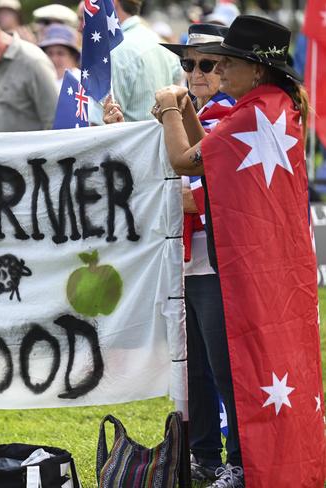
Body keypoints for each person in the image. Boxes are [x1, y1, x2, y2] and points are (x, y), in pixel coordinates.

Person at [153, 15, 310, 488]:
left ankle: (240, 462)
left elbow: (185, 162)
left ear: (255, 69)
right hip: (252, 262)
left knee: (231, 370)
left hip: (236, 263)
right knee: (224, 367)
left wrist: (165, 111)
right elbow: (212, 155)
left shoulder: (251, 111)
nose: (219, 72)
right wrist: (185, 114)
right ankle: (239, 459)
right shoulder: (268, 106)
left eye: (227, 64)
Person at [159, 22, 236, 485]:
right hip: (185, 257)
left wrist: (165, 195)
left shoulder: (230, 115)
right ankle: (205, 455)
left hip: (216, 257)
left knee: (223, 369)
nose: (195, 72)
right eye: (188, 63)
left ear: (228, 68)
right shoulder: (190, 113)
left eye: (207, 63)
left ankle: (239, 460)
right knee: (194, 371)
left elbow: (188, 186)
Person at [111, 0, 182, 121]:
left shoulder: (116, 49)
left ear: (114, 3)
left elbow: (98, 124)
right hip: (163, 138)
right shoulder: (161, 43)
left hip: (129, 139)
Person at [38, 23, 80, 92]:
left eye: (60, 53)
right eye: (50, 53)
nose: (54, 59)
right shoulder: (38, 81)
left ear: (73, 57)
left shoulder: (83, 83)